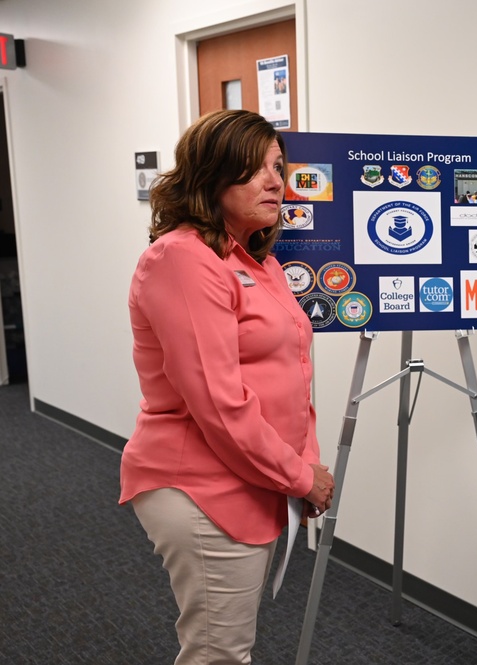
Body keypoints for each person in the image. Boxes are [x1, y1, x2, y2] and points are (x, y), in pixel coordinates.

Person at [119, 109, 335, 664]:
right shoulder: (181, 260)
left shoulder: (256, 261)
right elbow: (220, 402)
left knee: (226, 645)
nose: (274, 182)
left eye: (278, 166)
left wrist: (302, 465)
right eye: (252, 169)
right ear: (210, 176)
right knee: (218, 653)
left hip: (253, 477)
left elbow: (293, 373)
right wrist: (300, 477)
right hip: (202, 487)